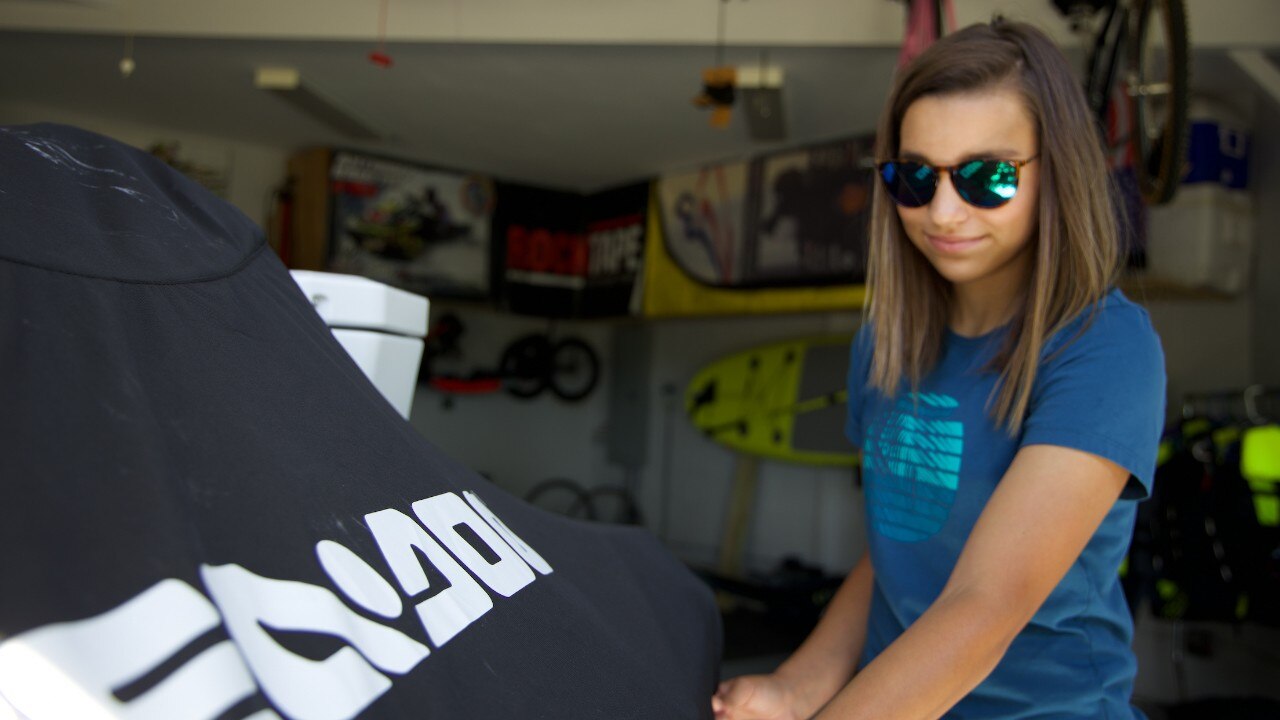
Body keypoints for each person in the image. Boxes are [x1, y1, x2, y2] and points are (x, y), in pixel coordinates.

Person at [712, 19, 1166, 720]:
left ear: (1057, 171)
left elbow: (984, 608)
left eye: (987, 177)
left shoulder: (1102, 345)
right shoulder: (885, 342)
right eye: (916, 177)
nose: (943, 213)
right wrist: (794, 688)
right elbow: (895, 552)